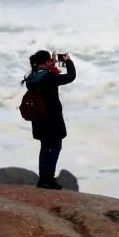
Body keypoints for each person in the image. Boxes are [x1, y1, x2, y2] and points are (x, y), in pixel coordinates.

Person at [21, 50, 77, 189]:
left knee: (45, 148)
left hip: (39, 118)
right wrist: (68, 61)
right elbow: (70, 76)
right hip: (51, 119)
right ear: (46, 61)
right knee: (55, 147)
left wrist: (50, 67)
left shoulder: (32, 76)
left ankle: (43, 179)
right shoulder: (49, 78)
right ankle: (48, 180)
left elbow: (46, 75)